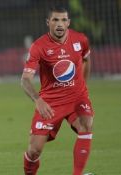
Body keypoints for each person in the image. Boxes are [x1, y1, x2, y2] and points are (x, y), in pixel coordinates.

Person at [21, 6, 94, 175]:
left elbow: (86, 59)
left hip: (76, 97)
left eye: (63, 20)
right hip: (51, 102)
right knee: (34, 150)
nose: (59, 24)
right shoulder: (39, 46)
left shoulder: (80, 40)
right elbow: (25, 80)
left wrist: (83, 88)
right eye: (55, 20)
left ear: (68, 22)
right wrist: (38, 100)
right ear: (48, 23)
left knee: (86, 124)